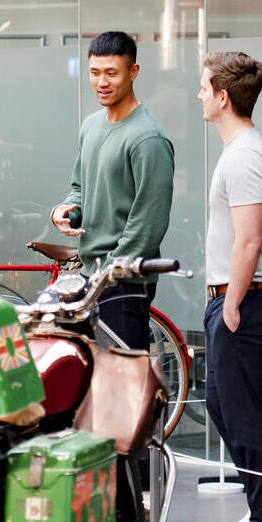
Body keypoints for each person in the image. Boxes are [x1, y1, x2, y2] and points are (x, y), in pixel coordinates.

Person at [199, 51, 262, 522]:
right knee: (224, 405)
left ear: (223, 96)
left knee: (245, 412)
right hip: (237, 299)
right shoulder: (238, 151)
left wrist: (230, 304)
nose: (199, 94)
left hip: (248, 301)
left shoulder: (245, 156)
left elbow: (248, 241)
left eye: (203, 86)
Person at [51, 31, 174, 350]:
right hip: (90, 276)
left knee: (124, 387)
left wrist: (109, 273)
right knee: (92, 381)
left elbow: (149, 223)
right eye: (94, 73)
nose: (101, 82)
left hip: (124, 282)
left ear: (133, 72)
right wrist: (67, 211)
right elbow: (80, 188)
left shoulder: (148, 138)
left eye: (111, 73)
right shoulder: (91, 125)